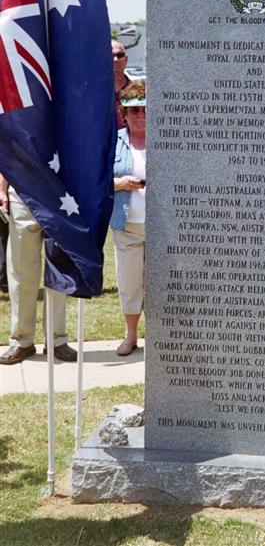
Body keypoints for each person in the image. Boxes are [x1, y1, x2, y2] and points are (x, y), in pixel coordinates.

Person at [0, 174, 77, 365]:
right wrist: (2, 188)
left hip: (59, 190)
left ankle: (56, 339)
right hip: (22, 189)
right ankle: (22, 340)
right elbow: (7, 149)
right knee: (21, 270)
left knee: (58, 269)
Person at [110, 79, 146, 355]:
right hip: (127, 225)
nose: (140, 116)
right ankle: (130, 335)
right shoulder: (114, 142)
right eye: (133, 111)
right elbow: (97, 181)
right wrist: (120, 183)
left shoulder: (171, 139)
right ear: (124, 113)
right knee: (129, 282)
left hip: (164, 227)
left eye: (145, 109)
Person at [112, 39, 130, 130]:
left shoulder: (139, 92)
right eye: (111, 55)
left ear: (126, 60)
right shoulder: (93, 91)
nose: (116, 59)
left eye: (120, 55)